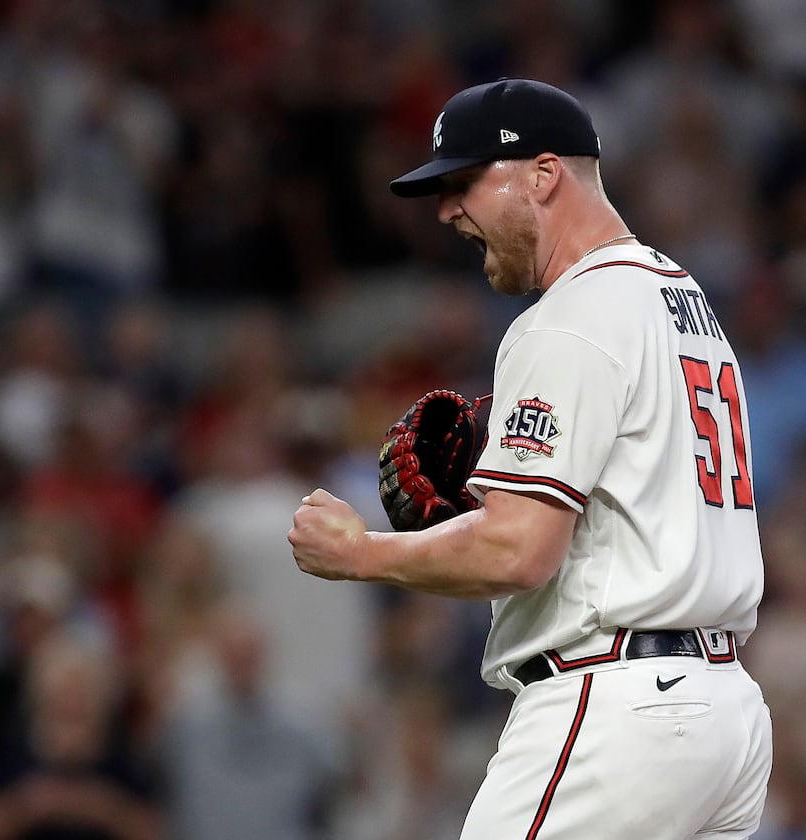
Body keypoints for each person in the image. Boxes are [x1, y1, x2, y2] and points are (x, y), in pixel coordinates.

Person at [289, 78, 773, 839]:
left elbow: (519, 551)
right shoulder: (682, 299)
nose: (448, 210)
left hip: (619, 708)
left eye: (464, 182)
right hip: (723, 714)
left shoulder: (571, 316)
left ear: (542, 175)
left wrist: (362, 555)